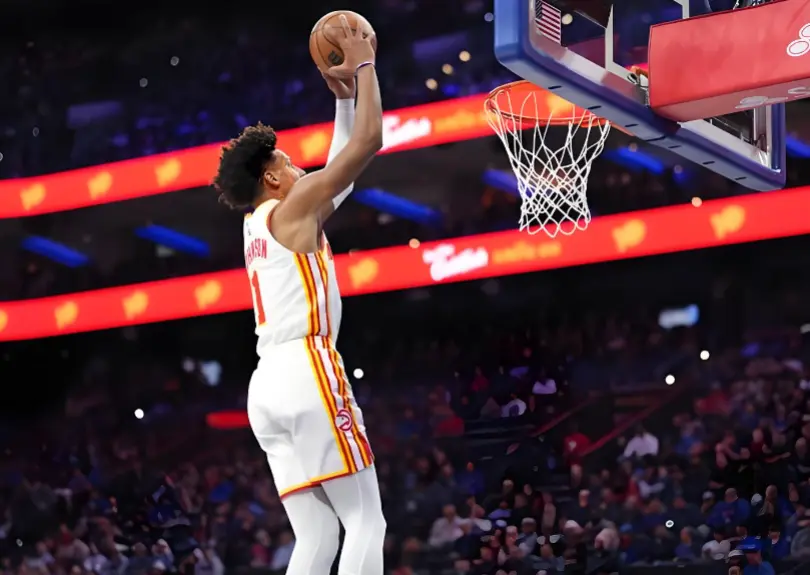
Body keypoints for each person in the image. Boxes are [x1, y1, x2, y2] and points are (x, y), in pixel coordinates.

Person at [212, 16, 385, 575]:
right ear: (270, 179)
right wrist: (364, 66)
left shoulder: (260, 222)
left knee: (317, 535)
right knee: (366, 521)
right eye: (286, 162)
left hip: (267, 385)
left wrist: (342, 99)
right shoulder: (292, 209)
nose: (297, 165)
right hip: (309, 368)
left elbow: (341, 176)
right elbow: (368, 144)